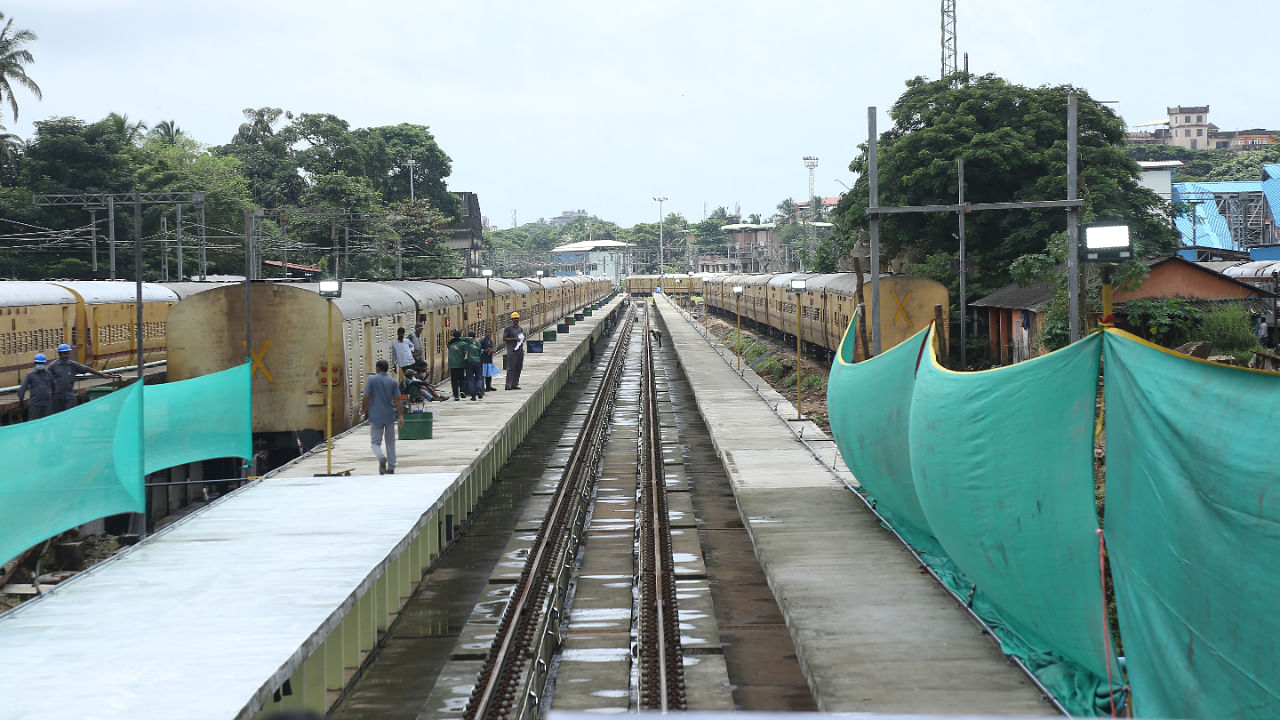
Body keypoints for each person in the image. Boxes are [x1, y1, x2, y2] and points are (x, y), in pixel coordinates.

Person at [361, 359, 404, 475]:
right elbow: (398, 400)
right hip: (389, 415)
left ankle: (381, 457)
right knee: (390, 441)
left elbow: (366, 396)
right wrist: (401, 416)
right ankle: (391, 466)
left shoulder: (372, 380)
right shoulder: (393, 382)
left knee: (375, 442)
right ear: (387, 369)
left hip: (375, 415)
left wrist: (364, 409)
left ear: (377, 368)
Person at [49, 343, 118, 413]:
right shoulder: (53, 366)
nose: (66, 355)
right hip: (57, 397)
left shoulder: (73, 365)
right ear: (60, 354)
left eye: (67, 353)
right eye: (64, 353)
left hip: (69, 396)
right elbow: (47, 379)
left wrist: (103, 375)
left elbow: (87, 369)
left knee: (70, 414)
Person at [17, 353, 54, 420]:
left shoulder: (49, 374)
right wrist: (21, 400)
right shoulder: (30, 375)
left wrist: (53, 398)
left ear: (44, 363)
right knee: (33, 423)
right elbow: (22, 388)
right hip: (35, 405)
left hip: (47, 405)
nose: (39, 365)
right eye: (38, 363)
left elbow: (54, 386)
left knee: (47, 423)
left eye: (41, 363)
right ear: (35, 363)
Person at [503, 312, 526, 390]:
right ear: (512, 320)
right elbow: (504, 338)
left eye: (517, 318)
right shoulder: (508, 329)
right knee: (511, 368)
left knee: (518, 367)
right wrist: (514, 339)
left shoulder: (520, 328)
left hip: (519, 350)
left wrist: (521, 340)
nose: (516, 320)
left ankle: (514, 384)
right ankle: (508, 384)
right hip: (512, 351)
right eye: (514, 319)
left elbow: (521, 336)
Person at [447, 329, 467, 400]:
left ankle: (456, 395)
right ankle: (462, 390)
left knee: (454, 381)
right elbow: (465, 354)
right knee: (461, 379)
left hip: (452, 365)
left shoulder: (450, 344)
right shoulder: (463, 344)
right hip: (460, 364)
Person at [464, 330, 484, 400]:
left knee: (470, 379)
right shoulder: (478, 343)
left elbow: (464, 350)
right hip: (477, 361)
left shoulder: (468, 342)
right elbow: (480, 353)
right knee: (479, 378)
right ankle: (479, 390)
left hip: (470, 361)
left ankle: (473, 396)